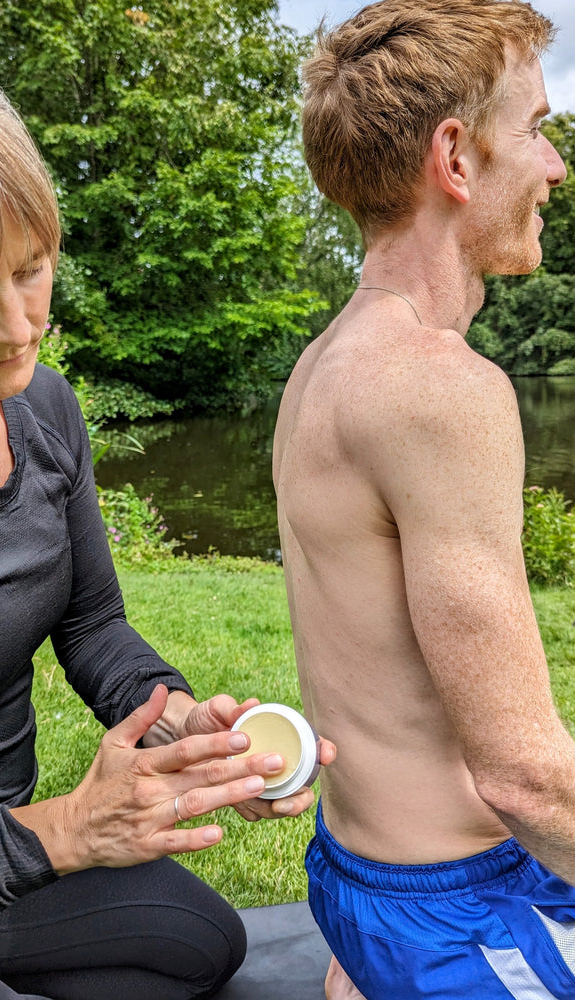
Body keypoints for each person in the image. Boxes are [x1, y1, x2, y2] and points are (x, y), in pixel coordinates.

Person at [0, 42, 336, 1000]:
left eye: (33, 268)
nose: (18, 325)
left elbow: (92, 627)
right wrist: (67, 831)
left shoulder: (44, 411)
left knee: (202, 944)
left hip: (2, 875)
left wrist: (185, 728)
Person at [272, 1, 575, 997]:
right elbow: (522, 778)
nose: (552, 168)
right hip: (457, 903)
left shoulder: (324, 364)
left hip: (361, 870)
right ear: (455, 157)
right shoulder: (439, 388)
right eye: (533, 131)